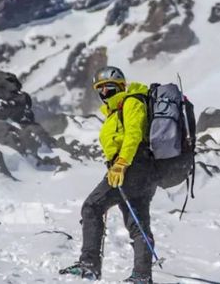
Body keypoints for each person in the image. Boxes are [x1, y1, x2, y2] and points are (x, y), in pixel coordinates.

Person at [60, 66, 156, 284]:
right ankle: (142, 276)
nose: (104, 93)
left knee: (92, 207)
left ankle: (89, 265)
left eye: (109, 87)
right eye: (100, 90)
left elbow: (133, 134)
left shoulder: (132, 102)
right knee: (138, 223)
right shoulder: (116, 110)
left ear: (121, 86)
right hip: (143, 171)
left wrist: (121, 163)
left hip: (130, 168)